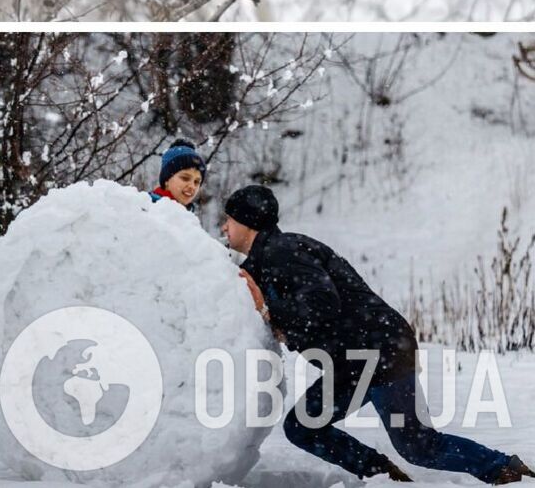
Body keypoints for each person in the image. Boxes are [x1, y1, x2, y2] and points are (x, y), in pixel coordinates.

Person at [221, 184, 533, 484]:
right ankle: (383, 475)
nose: (224, 227)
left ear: (248, 222)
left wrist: (270, 312)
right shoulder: (265, 261)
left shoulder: (283, 251)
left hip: (381, 350)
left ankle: (506, 470)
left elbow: (322, 304)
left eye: (229, 220)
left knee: (418, 444)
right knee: (303, 426)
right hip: (351, 362)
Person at [150, 139, 205, 208]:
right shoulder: (145, 210)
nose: (192, 186)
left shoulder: (188, 217)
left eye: (196, 182)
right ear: (166, 180)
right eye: (185, 178)